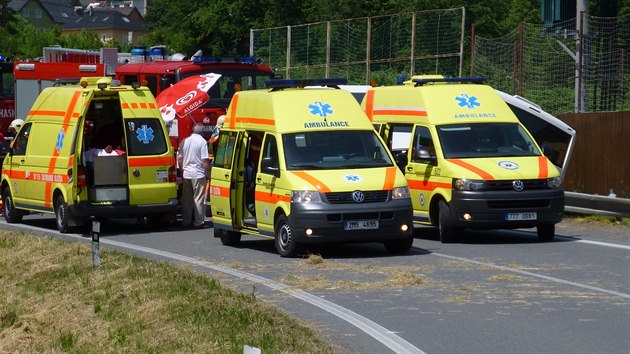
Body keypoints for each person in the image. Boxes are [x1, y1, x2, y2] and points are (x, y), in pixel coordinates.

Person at [177, 124, 211, 228]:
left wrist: (183, 171)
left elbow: (180, 159)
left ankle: (186, 221)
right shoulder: (202, 142)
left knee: (186, 199)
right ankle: (198, 222)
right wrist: (209, 174)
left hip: (187, 173)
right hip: (198, 173)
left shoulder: (184, 141)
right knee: (199, 199)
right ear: (202, 132)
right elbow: (205, 160)